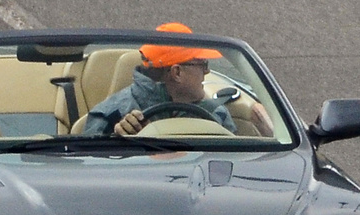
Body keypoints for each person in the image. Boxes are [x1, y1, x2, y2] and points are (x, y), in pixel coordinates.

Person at [82, 23, 274, 137]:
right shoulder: (110, 115)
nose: (207, 72)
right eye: (202, 64)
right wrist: (117, 139)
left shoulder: (216, 113)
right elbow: (91, 171)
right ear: (177, 73)